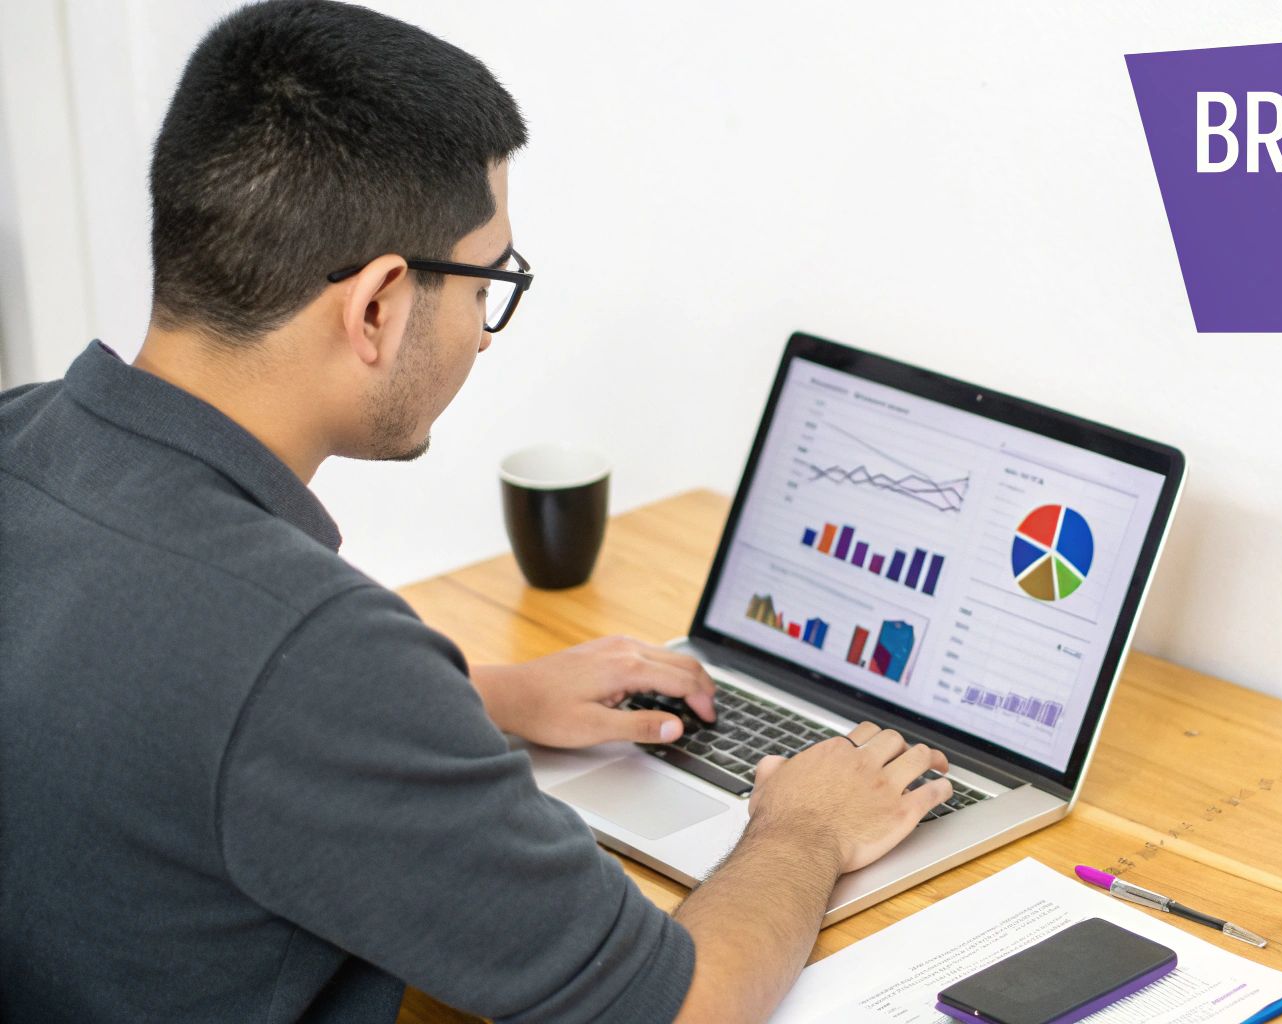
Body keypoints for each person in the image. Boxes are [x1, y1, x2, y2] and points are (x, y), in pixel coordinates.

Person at [0, 2, 954, 1021]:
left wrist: (475, 695)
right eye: (486, 282)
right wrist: (802, 826)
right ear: (376, 305)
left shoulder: (24, 438)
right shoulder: (311, 658)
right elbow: (680, 1008)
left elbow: (150, 699)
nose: (485, 333)